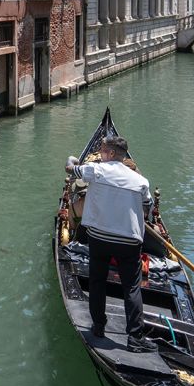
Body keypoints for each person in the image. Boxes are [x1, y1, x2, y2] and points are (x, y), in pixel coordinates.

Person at [66, 135, 155, 353]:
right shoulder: (141, 181)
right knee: (132, 287)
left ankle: (98, 326)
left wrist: (72, 160)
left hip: (99, 237)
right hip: (129, 241)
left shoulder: (95, 170)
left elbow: (70, 169)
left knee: (97, 281)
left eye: (103, 150)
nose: (100, 153)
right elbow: (148, 207)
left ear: (112, 153)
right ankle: (135, 337)